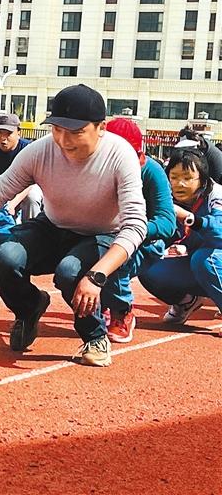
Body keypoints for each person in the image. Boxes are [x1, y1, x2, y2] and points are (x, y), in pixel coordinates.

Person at [0, 84, 147, 367]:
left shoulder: (120, 155)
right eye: (57, 129)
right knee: (5, 258)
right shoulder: (40, 151)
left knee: (70, 272)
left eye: (76, 131)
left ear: (101, 127)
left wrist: (97, 275)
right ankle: (29, 308)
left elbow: (135, 225)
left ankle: (95, 336)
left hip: (101, 235)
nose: (64, 140)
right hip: (52, 226)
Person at [100, 118, 176, 343]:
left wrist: (132, 230)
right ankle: (102, 304)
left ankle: (121, 311)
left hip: (145, 242)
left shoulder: (152, 172)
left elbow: (167, 222)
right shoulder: (96, 167)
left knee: (116, 255)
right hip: (101, 234)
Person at [139, 149, 222, 337]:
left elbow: (220, 232)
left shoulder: (216, 195)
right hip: (200, 263)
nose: (180, 184)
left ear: (202, 179)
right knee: (147, 264)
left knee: (205, 260)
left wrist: (190, 219)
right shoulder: (166, 197)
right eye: (174, 177)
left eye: (187, 178)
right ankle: (186, 301)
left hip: (213, 259)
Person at [0, 113, 43, 221]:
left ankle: (31, 229)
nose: (3, 138)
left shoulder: (29, 149)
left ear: (18, 132)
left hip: (30, 186)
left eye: (9, 133)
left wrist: (13, 203)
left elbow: (32, 182)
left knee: (31, 197)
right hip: (6, 187)